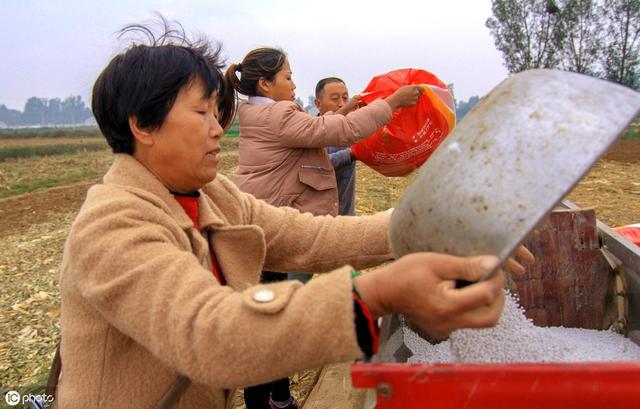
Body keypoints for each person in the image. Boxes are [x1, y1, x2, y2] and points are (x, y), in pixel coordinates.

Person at [56, 18, 521, 409]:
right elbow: (214, 335)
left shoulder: (213, 194)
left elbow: (309, 237)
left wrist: (434, 224)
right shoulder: (113, 222)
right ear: (142, 125)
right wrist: (375, 294)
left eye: (219, 115)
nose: (219, 131)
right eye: (202, 114)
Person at [224, 49, 423, 408]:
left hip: (263, 222)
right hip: (273, 225)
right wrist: (391, 103)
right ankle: (265, 402)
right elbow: (336, 131)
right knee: (270, 322)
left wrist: (344, 111)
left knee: (270, 317)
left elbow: (317, 129)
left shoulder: (259, 111)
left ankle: (279, 398)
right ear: (266, 83)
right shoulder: (277, 112)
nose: (293, 83)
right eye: (287, 77)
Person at [315, 77, 359, 216]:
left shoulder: (350, 130)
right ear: (318, 103)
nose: (342, 104)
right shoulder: (310, 133)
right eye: (335, 98)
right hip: (318, 220)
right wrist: (351, 154)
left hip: (346, 215)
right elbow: (315, 166)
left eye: (346, 98)